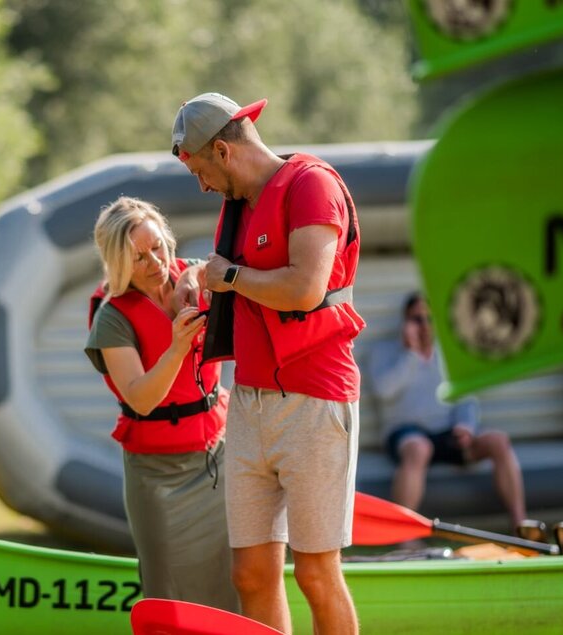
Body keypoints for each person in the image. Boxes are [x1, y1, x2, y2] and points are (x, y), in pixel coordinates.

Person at [173, 93, 362, 634]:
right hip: (249, 402)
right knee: (251, 574)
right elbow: (236, 266)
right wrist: (196, 274)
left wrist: (228, 277)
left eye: (201, 171)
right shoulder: (242, 201)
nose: (202, 186)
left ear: (224, 152)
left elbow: (305, 289)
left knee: (316, 574)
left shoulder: (311, 185)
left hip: (314, 400)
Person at [83, 196, 239, 612]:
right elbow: (141, 398)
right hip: (157, 475)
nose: (155, 261)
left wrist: (192, 272)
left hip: (217, 457)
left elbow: (215, 267)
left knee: (231, 580)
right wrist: (176, 349)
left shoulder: (189, 275)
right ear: (118, 262)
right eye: (139, 257)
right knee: (168, 591)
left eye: (158, 247)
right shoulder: (112, 318)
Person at [368, 292, 527, 531]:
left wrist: (466, 426)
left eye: (429, 319)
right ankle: (404, 535)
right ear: (405, 321)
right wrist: (411, 354)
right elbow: (384, 391)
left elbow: (467, 397)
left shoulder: (449, 353)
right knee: (419, 448)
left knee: (498, 441)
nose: (424, 325)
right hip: (406, 434)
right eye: (417, 319)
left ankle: (521, 524)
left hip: (448, 433)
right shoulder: (384, 351)